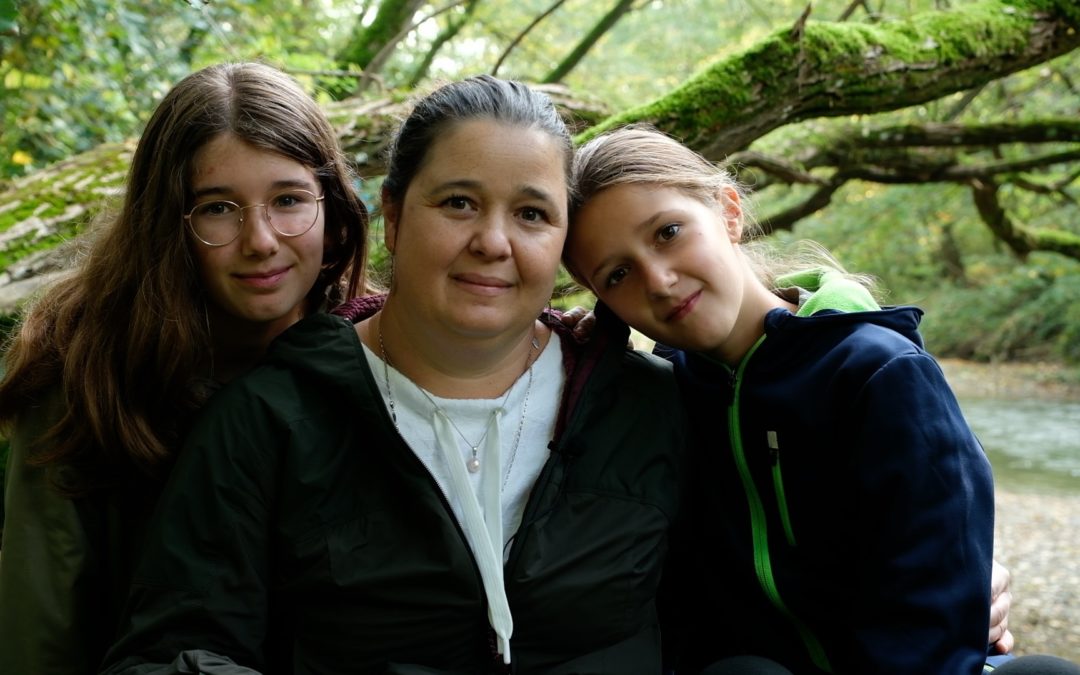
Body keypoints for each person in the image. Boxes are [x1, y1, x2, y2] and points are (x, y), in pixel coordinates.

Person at [99, 75, 685, 674]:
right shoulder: (270, 422)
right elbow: (169, 654)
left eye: (532, 213)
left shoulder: (644, 405)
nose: (492, 241)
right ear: (394, 216)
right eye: (459, 202)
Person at [563, 125, 1080, 675]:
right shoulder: (661, 395)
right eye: (617, 274)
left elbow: (932, 603)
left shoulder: (877, 374)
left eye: (668, 232)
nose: (659, 281)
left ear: (729, 212)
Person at [0, 61, 370, 675]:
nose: (260, 239)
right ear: (167, 224)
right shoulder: (85, 366)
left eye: (288, 200)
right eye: (219, 208)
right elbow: (42, 622)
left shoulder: (372, 350)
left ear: (332, 216)